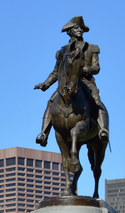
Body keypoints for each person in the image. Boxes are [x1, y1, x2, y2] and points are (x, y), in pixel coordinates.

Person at [34, 15, 110, 144]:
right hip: (66, 84)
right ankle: (43, 133)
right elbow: (55, 72)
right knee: (51, 101)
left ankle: (103, 129)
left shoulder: (92, 48)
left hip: (86, 82)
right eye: (76, 28)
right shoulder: (62, 51)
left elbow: (96, 68)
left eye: (81, 28)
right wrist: (45, 84)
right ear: (70, 32)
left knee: (96, 99)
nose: (79, 30)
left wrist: (84, 70)